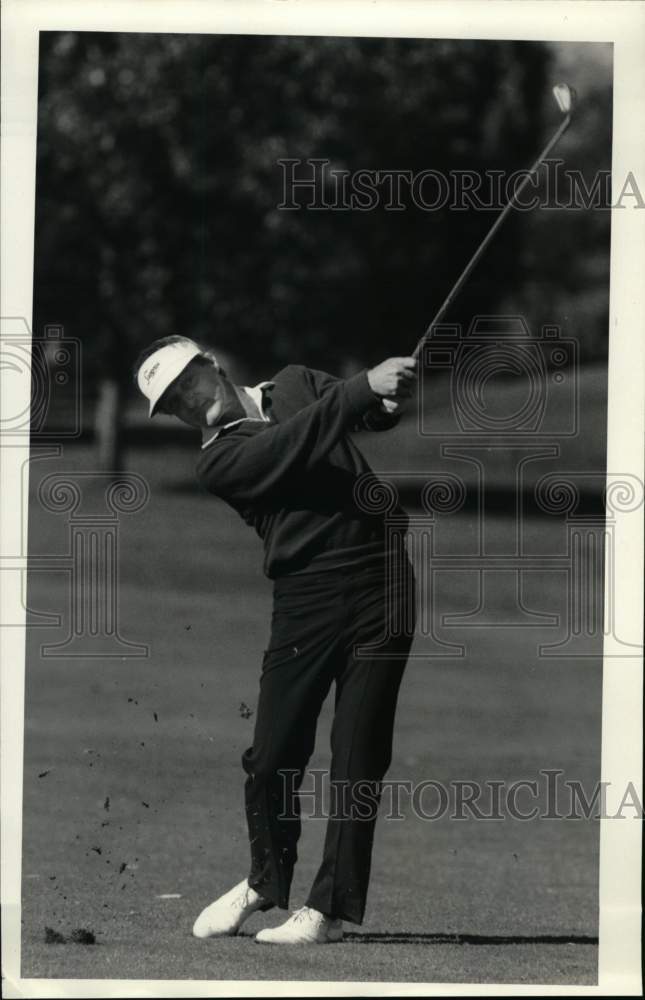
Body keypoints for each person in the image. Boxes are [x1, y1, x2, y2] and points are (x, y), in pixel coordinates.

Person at [134, 335, 418, 944]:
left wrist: (388, 401)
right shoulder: (218, 462)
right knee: (272, 755)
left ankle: (328, 910)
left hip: (382, 582)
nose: (186, 400)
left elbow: (362, 415)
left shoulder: (295, 383)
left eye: (188, 381)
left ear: (213, 362)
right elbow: (294, 445)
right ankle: (266, 880)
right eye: (171, 401)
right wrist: (364, 386)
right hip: (306, 597)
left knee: (358, 753)